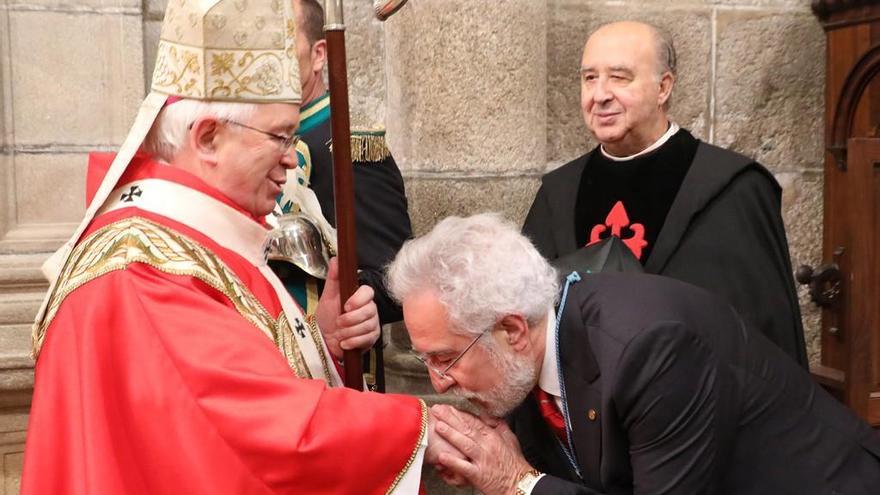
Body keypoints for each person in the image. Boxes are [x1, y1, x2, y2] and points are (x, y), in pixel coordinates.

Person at [21, 1, 455, 493]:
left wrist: (323, 338)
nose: (292, 159)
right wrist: (419, 432)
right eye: (279, 137)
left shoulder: (184, 237)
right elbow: (261, 433)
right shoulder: (142, 271)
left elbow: (237, 368)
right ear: (207, 137)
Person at [387, 213, 880, 495]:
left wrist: (518, 481)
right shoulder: (526, 355)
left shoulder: (652, 348)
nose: (438, 382)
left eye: (444, 358)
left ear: (511, 329)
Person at [522, 21, 808, 367]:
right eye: (589, 78)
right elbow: (525, 329)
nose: (599, 95)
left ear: (663, 87)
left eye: (619, 77)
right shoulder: (559, 194)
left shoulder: (733, 188)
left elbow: (764, 341)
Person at [273, 0, 412, 325]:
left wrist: (345, 300)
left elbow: (397, 277)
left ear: (319, 54)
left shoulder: (348, 147)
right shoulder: (246, 138)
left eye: (282, 45)